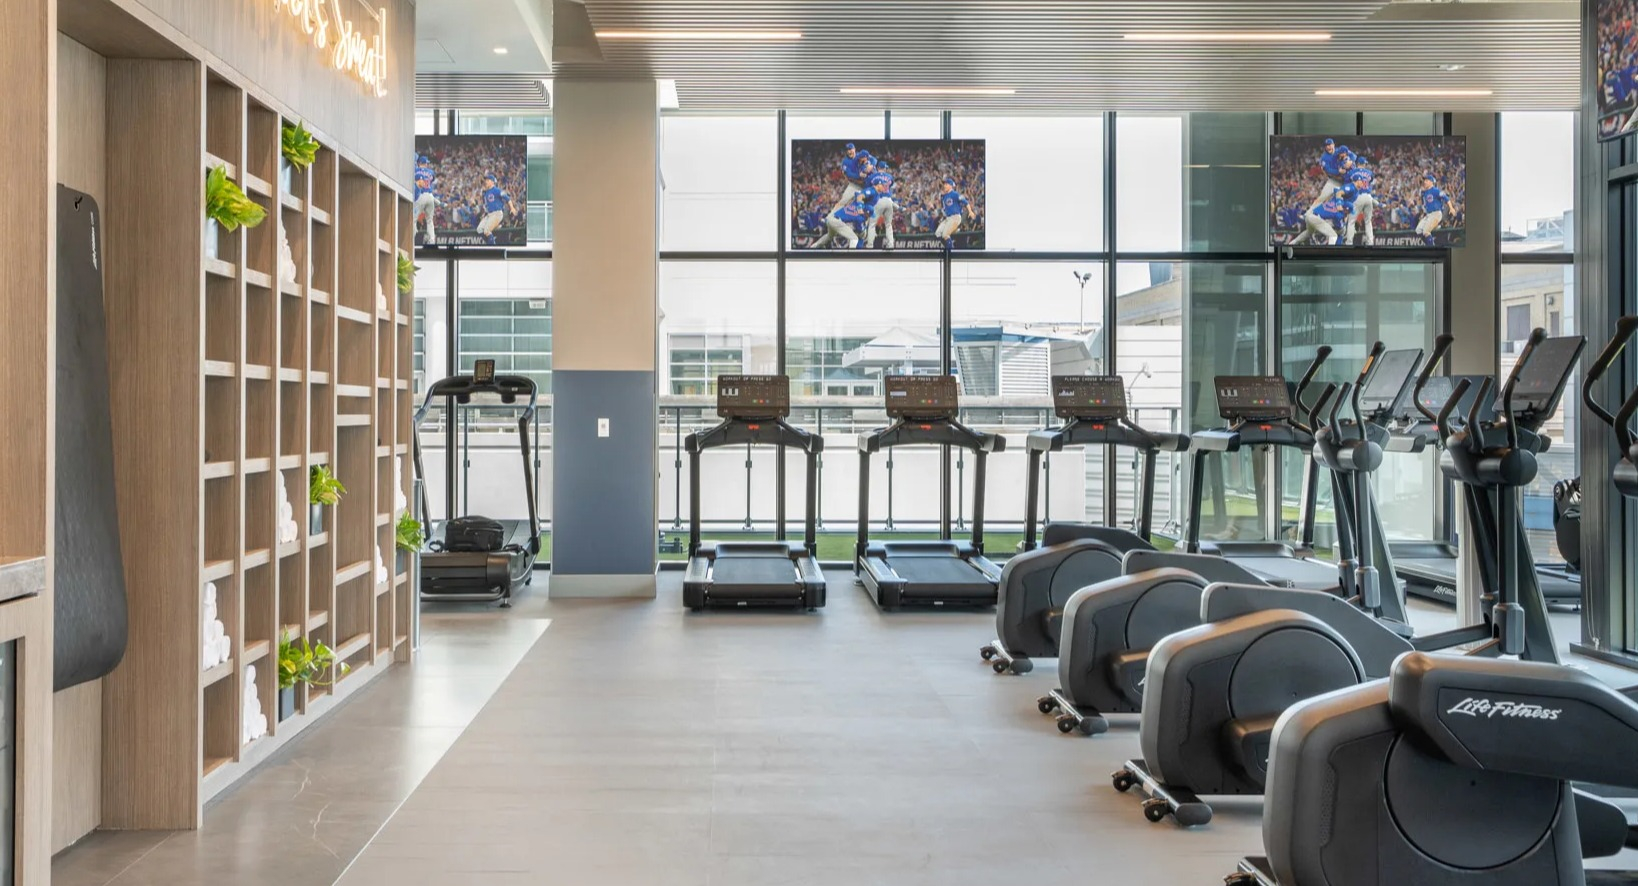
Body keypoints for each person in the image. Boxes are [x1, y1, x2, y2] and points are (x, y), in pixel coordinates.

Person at [863, 161, 898, 249]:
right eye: (885, 168)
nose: (886, 169)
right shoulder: (889, 176)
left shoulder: (872, 176)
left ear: (877, 168)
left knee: (872, 224)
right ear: (883, 168)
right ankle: (891, 244)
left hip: (878, 200)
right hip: (889, 200)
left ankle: (870, 245)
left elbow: (867, 185)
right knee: (888, 224)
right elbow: (891, 183)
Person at [474, 173, 516, 245]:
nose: (486, 181)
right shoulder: (486, 193)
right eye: (486, 180)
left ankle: (492, 247)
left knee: (486, 231)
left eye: (488, 180)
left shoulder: (497, 190)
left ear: (492, 182)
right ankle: (491, 242)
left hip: (497, 213)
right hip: (489, 214)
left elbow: (507, 198)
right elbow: (487, 205)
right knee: (479, 229)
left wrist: (512, 208)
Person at [1342, 162, 1377, 247]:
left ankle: (1349, 243)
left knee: (1351, 221)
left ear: (1357, 163)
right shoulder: (1369, 172)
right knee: (1368, 221)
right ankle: (1370, 242)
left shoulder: (1352, 172)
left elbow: (1346, 181)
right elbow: (1371, 180)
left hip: (1357, 197)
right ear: (1364, 164)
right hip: (1368, 197)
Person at [1416, 172, 1452, 246]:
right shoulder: (1424, 193)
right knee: (1418, 230)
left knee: (1426, 231)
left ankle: (1431, 247)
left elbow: (1446, 198)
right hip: (1429, 215)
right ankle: (1431, 243)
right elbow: (1425, 205)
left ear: (1431, 182)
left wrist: (1451, 208)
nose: (1424, 182)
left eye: (1426, 180)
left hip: (1436, 213)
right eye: (1424, 180)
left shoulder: (1435, 190)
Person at [935, 178, 970, 249]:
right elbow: (940, 188)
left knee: (945, 234)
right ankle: (950, 246)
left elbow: (965, 201)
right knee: (938, 233)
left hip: (955, 217)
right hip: (948, 218)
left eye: (946, 184)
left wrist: (970, 211)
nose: (944, 186)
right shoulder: (944, 197)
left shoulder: (954, 194)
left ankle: (950, 252)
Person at [412, 155, 437, 244]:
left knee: (413, 219)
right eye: (426, 163)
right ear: (424, 163)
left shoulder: (415, 170)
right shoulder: (430, 171)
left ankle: (412, 238)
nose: (427, 164)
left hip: (421, 196)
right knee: (429, 220)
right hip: (430, 196)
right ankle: (432, 240)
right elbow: (432, 179)